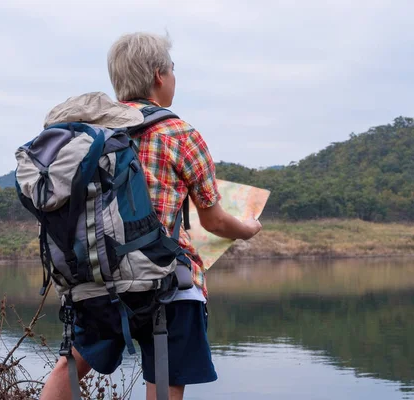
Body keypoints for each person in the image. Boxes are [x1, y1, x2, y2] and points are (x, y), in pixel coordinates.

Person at [40, 32, 262, 400]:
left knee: (70, 366)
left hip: (99, 279)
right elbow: (214, 222)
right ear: (160, 75)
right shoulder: (180, 133)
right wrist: (248, 229)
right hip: (167, 284)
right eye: (173, 70)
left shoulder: (92, 133)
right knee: (164, 382)